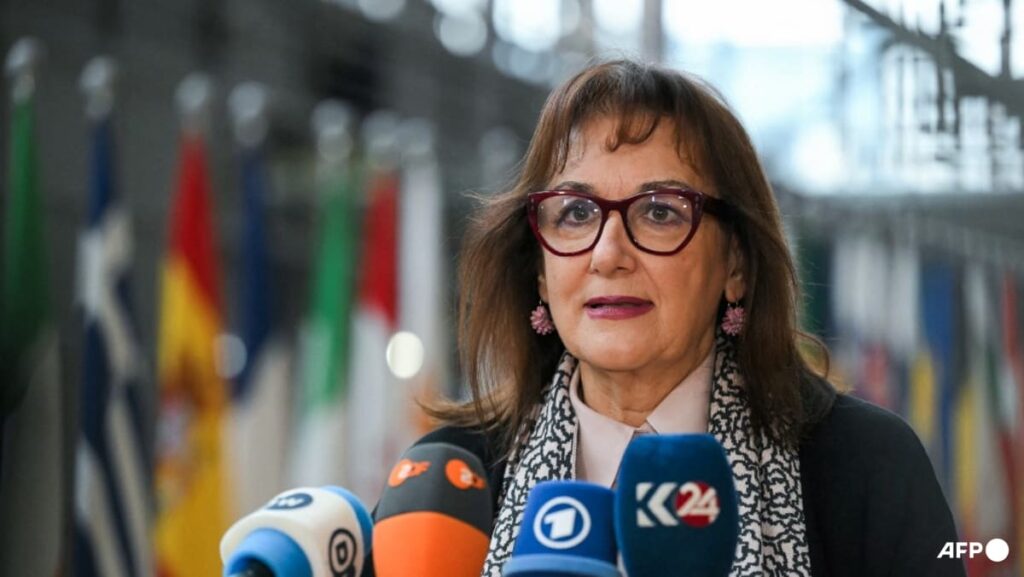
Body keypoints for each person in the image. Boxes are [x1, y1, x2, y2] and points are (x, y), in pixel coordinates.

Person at [405, 60, 964, 577]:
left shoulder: (865, 465)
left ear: (735, 264)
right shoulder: (450, 481)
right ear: (540, 273)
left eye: (659, 212)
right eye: (576, 213)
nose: (608, 254)